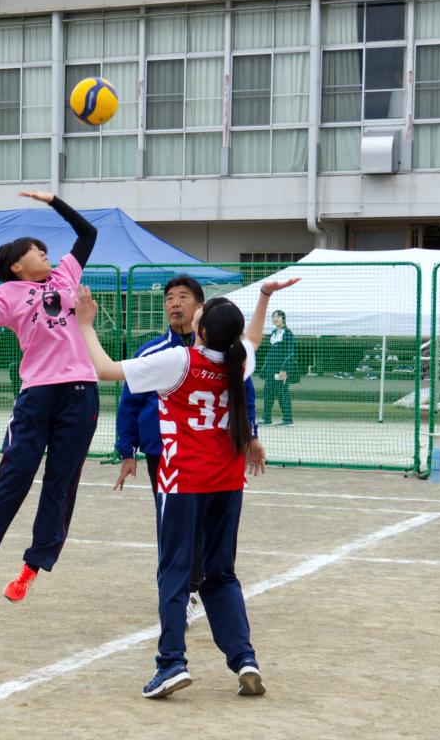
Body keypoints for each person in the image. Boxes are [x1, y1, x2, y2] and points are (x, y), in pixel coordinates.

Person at [75, 277, 298, 699]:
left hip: (183, 483)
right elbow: (251, 336)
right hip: (228, 484)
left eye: (196, 311)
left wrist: (86, 325)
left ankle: (172, 663)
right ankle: (245, 659)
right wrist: (265, 297)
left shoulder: (177, 362)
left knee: (174, 572)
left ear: (203, 330)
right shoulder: (238, 361)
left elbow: (104, 370)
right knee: (221, 574)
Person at [0, 190, 99, 603]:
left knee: (61, 482)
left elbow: (87, 233)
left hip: (81, 392)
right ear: (18, 265)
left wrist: (54, 201)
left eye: (44, 248)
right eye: (36, 250)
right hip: (37, 393)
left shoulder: (65, 277)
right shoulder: (8, 295)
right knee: (16, 474)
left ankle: (30, 569)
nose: (44, 253)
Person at [113, 276, 261, 626]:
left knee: (208, 529)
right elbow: (129, 403)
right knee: (173, 527)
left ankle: (195, 589)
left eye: (183, 297)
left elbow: (245, 397)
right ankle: (184, 591)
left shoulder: (229, 353)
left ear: (200, 309)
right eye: (169, 298)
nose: (174, 304)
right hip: (163, 453)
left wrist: (251, 436)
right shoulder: (153, 353)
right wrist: (127, 450)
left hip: (211, 453)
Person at [260, 309, 295, 427]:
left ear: (283, 318)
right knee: (268, 392)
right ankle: (266, 419)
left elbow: (290, 353)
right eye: (273, 317)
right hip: (270, 369)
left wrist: (284, 369)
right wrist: (265, 366)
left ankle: (288, 419)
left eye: (277, 317)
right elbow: (270, 351)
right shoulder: (273, 332)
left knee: (282, 393)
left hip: (281, 369)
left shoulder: (288, 333)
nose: (275, 319)